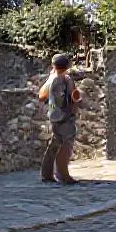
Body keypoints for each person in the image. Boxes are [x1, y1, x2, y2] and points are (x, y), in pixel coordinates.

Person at [38, 53, 82, 185]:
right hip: (65, 117)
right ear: (67, 66)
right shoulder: (67, 79)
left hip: (53, 116)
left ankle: (46, 174)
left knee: (55, 144)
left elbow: (41, 95)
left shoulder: (51, 79)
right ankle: (63, 175)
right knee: (66, 145)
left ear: (54, 65)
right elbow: (75, 98)